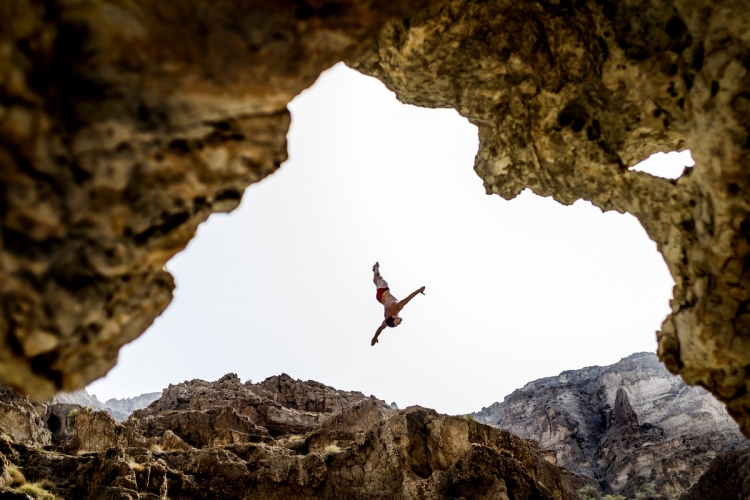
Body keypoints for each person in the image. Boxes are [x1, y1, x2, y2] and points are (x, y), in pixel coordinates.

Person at [371, 262, 425, 346]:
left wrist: (419, 291)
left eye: (396, 323)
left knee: (378, 278)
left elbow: (408, 298)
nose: (399, 324)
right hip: (380, 299)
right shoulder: (386, 321)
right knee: (375, 280)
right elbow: (380, 329)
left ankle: (376, 267)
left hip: (384, 290)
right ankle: (375, 270)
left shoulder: (397, 308)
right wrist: (375, 337)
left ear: (393, 317)